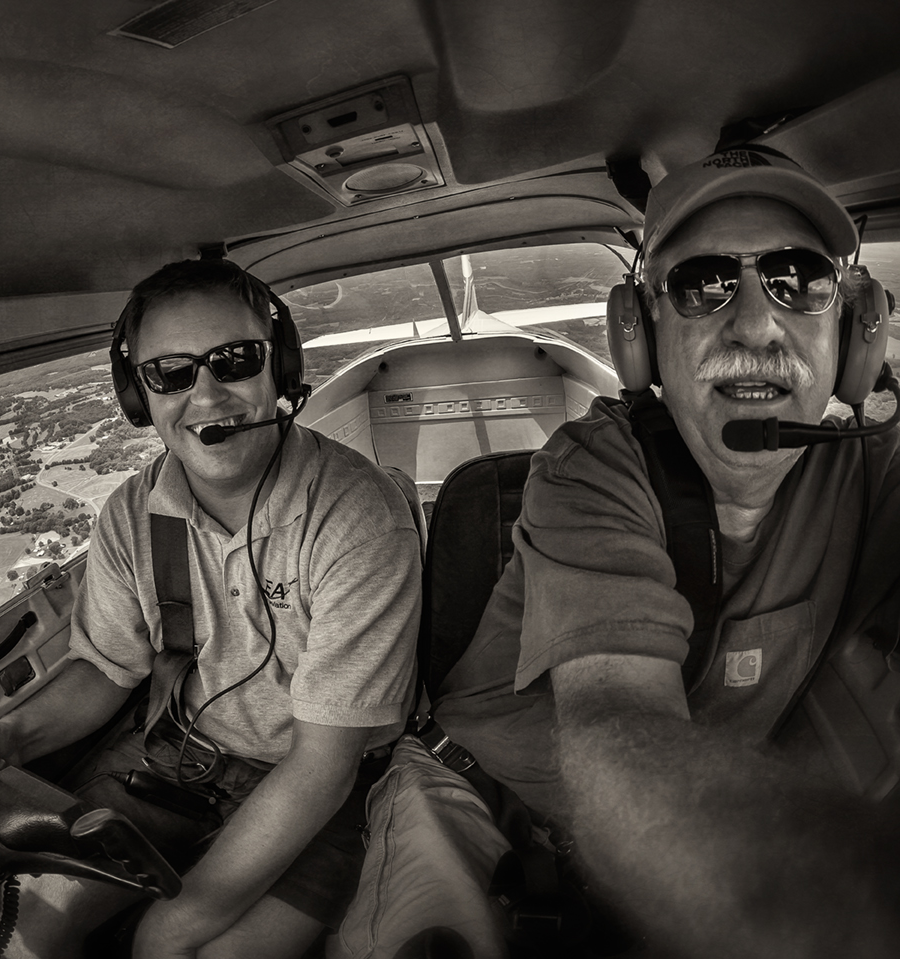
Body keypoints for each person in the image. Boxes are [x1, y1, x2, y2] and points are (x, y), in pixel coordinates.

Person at [334, 147, 900, 959]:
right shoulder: (591, 466)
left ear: (852, 327)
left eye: (798, 279)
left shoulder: (873, 469)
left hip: (680, 838)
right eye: (703, 283)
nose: (754, 322)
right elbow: (613, 723)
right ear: (640, 332)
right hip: (475, 799)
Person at [0, 258, 422, 958]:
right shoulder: (132, 513)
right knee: (26, 933)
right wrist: (9, 737)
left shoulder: (355, 515)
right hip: (175, 759)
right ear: (140, 398)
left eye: (234, 361)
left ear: (279, 369)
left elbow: (323, 765)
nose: (207, 396)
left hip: (323, 793)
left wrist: (176, 922)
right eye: (170, 373)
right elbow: (105, 670)